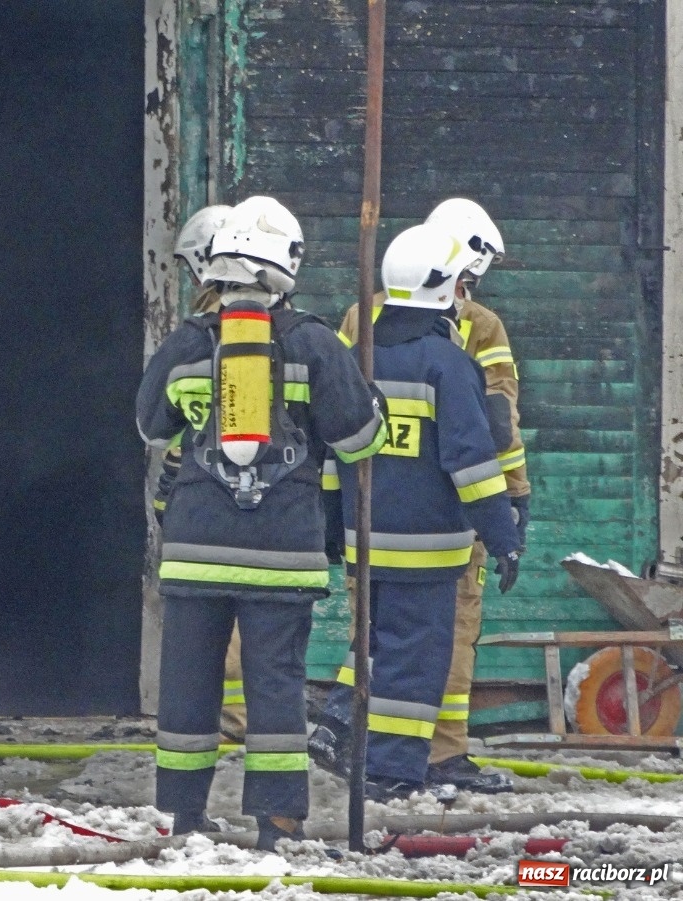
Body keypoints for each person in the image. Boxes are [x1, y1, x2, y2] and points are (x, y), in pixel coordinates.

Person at [136, 195, 385, 849]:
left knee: (190, 679)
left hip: (194, 545)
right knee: (275, 683)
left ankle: (185, 812)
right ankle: (277, 819)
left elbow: (148, 423)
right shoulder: (314, 344)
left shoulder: (188, 343)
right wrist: (370, 401)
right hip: (282, 549)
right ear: (286, 270)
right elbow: (359, 442)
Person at [315, 199, 527, 794]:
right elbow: (478, 453)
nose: (470, 291)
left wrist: (331, 525)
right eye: (465, 279)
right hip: (431, 547)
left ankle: (363, 746)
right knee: (418, 662)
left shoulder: (357, 348)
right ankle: (391, 771)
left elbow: (336, 444)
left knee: (380, 647)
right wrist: (506, 527)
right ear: (447, 281)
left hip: (366, 536)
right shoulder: (451, 360)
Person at [156, 205, 251, 742]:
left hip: (211, 495)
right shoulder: (285, 327)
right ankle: (236, 721)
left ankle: (231, 723)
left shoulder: (207, 333)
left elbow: (167, 426)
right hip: (266, 503)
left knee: (219, 616)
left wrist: (168, 494)